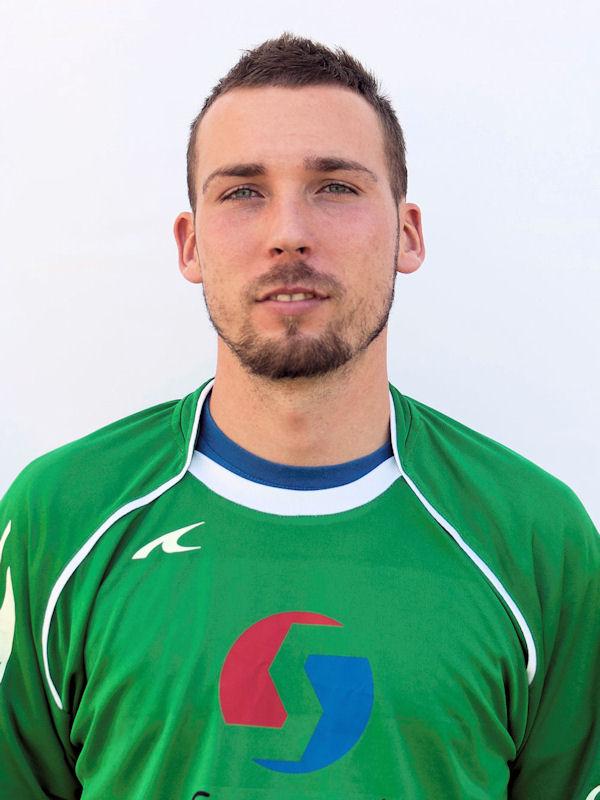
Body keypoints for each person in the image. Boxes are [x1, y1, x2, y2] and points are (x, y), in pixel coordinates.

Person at [0, 32, 598, 800]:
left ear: (407, 234)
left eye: (336, 187)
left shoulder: (538, 539)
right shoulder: (59, 521)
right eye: (243, 192)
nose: (289, 233)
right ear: (190, 246)